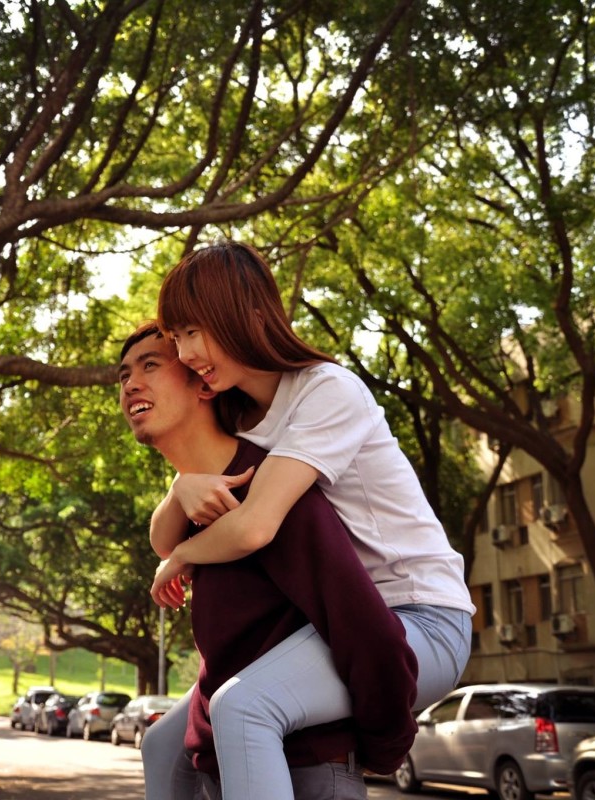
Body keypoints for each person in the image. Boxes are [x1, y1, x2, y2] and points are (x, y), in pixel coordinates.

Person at [145, 241, 476, 800]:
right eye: (177, 337)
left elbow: (254, 527)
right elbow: (163, 537)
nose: (186, 352)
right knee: (163, 746)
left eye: (195, 331)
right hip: (326, 621)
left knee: (243, 708)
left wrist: (184, 556)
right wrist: (181, 487)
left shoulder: (328, 391)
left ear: (248, 315)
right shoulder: (235, 413)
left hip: (420, 619)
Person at [119, 322, 418, 800]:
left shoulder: (271, 493)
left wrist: (384, 748)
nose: (131, 384)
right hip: (226, 770)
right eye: (124, 374)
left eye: (150, 365)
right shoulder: (195, 506)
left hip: (310, 776)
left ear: (203, 383)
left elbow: (368, 631)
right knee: (159, 743)